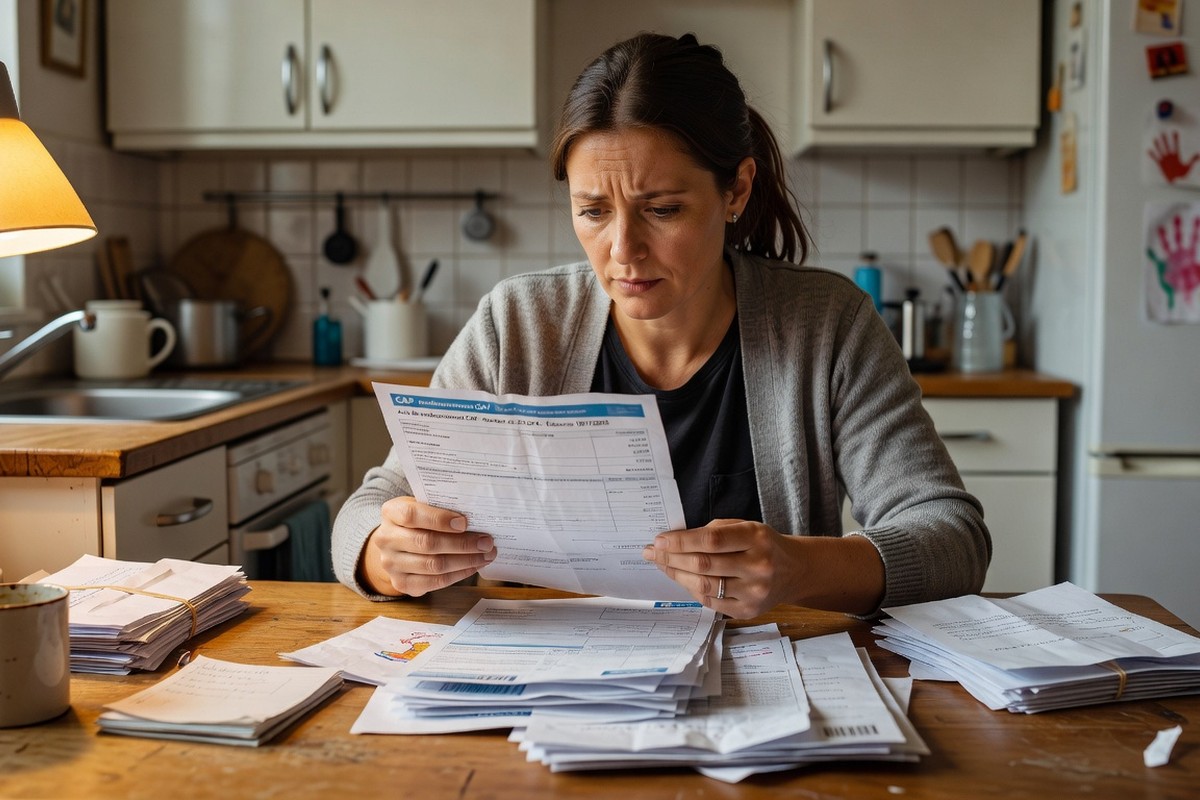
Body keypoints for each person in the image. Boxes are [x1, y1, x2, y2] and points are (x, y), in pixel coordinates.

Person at [332, 32, 990, 619]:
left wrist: (800, 569)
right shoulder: (518, 324)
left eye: (663, 210)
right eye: (592, 211)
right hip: (546, 681)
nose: (622, 249)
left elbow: (952, 536)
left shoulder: (825, 326)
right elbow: (373, 505)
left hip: (764, 692)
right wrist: (384, 555)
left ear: (736, 191)